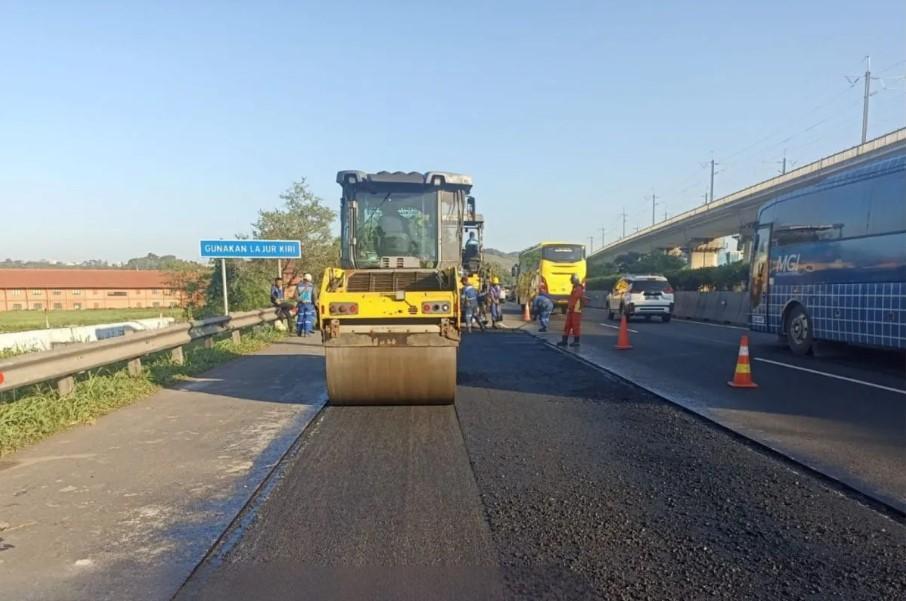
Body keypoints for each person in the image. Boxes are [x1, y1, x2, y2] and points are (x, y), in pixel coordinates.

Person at [557, 274, 587, 347]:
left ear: (575, 280)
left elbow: (576, 298)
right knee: (567, 325)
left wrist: (573, 307)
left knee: (575, 326)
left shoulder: (578, 289)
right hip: (572, 310)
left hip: (576, 310)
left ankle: (576, 341)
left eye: (571, 279)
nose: (570, 280)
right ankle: (564, 340)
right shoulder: (575, 288)